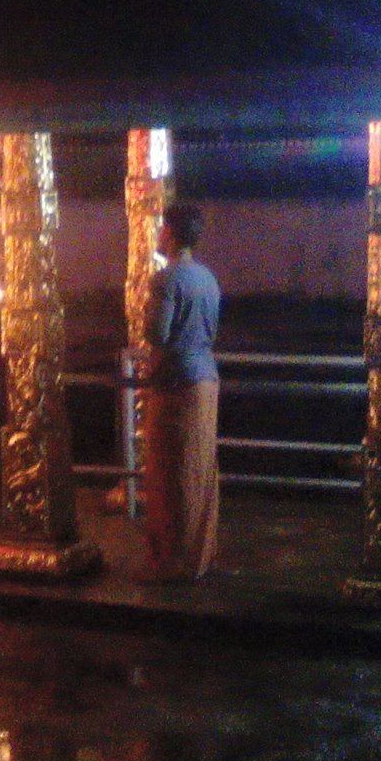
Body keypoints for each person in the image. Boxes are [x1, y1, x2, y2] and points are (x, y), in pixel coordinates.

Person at [139, 202, 221, 583]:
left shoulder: (166, 280)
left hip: (175, 381)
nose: (158, 234)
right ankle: (198, 557)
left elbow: (157, 333)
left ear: (170, 233)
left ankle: (172, 561)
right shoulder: (207, 278)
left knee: (170, 473)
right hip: (206, 378)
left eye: (161, 228)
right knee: (200, 469)